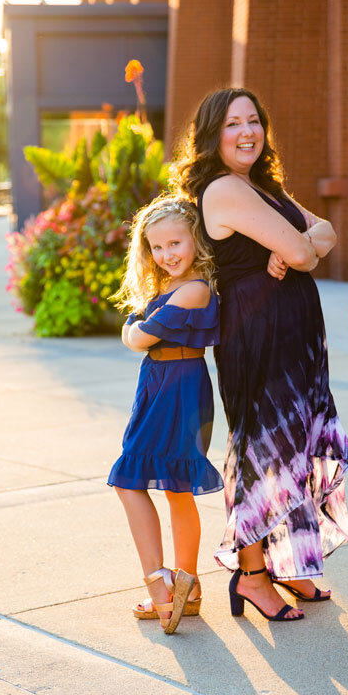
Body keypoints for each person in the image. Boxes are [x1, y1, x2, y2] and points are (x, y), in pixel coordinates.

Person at [174, 87, 348, 623]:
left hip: (292, 334)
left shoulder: (261, 186)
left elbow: (326, 234)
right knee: (262, 448)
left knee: (293, 443)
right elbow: (305, 246)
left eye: (254, 120)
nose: (247, 131)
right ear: (212, 135)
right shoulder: (224, 189)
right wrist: (293, 251)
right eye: (233, 124)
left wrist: (296, 252)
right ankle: (251, 575)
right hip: (257, 335)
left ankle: (289, 563)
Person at [109, 195, 224, 635]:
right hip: (159, 383)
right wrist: (135, 329)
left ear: (195, 239)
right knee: (162, 486)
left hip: (180, 388)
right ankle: (181, 587)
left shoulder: (194, 288)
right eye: (157, 248)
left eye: (175, 243)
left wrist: (136, 330)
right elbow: (133, 330)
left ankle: (166, 586)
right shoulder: (163, 288)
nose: (167, 255)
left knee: (143, 482)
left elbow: (138, 335)